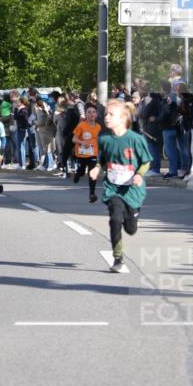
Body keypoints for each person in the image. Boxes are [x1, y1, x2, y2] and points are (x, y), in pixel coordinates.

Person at [90, 99, 152, 273]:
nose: (106, 117)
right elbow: (102, 159)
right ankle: (118, 258)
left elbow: (146, 162)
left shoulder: (136, 139)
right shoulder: (104, 139)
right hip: (113, 188)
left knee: (130, 229)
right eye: (106, 114)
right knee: (115, 219)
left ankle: (135, 213)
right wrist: (96, 168)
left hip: (132, 189)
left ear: (123, 118)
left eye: (111, 114)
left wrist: (139, 175)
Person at [72, 104, 102, 203]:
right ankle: (78, 174)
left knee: (92, 173)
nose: (91, 114)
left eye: (93, 112)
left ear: (96, 114)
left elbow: (99, 140)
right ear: (86, 114)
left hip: (93, 154)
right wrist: (82, 142)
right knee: (81, 171)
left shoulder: (98, 127)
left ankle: (92, 194)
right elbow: (74, 139)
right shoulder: (81, 125)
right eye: (89, 112)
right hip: (81, 153)